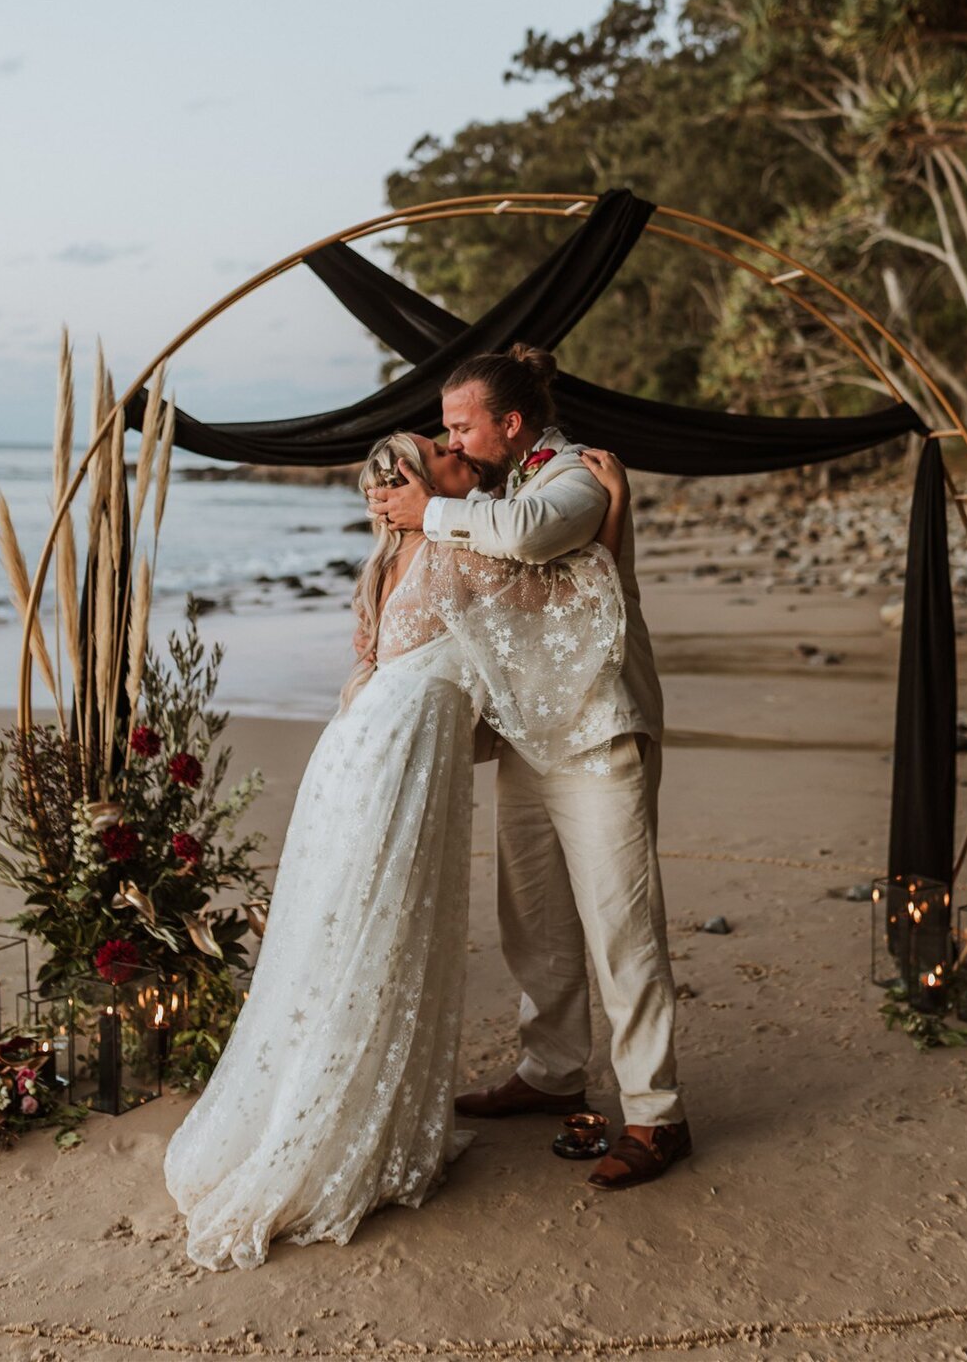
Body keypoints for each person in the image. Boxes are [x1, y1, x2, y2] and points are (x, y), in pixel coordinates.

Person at [163, 429, 635, 1269]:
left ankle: (324, 1114)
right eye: (442, 451)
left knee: (342, 937)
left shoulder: (391, 561)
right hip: (394, 771)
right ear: (423, 481)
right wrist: (617, 516)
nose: (464, 455)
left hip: (354, 759)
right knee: (380, 935)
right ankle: (343, 1135)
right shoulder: (456, 553)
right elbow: (579, 601)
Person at [368, 343, 689, 1192]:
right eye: (445, 430)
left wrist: (428, 511)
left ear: (511, 424)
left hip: (599, 736)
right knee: (532, 914)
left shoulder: (577, 476)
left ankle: (657, 1114)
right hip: (528, 735)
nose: (453, 440)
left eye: (461, 425)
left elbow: (529, 537)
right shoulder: (491, 490)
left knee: (622, 923)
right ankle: (551, 1072)